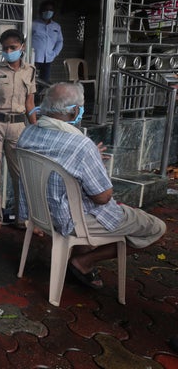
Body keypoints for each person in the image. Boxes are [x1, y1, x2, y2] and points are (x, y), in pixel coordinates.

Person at [17, 82, 166, 289]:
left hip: (38, 212)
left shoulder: (28, 132)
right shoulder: (81, 146)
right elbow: (102, 197)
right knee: (156, 227)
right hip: (68, 220)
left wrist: (89, 156)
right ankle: (83, 262)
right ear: (75, 111)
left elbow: (57, 155)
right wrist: (91, 156)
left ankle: (78, 256)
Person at [0, 29, 37, 236]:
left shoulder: (30, 71)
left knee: (20, 175)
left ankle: (22, 218)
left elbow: (30, 103)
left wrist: (35, 129)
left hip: (18, 127)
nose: (9, 51)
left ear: (22, 46)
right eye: (5, 48)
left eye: (12, 47)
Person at [31, 0, 63, 85]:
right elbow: (26, 39)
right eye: (46, 9)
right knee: (32, 81)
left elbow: (60, 41)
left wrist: (55, 53)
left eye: (51, 10)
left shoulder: (56, 26)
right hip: (34, 58)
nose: (48, 12)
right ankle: (32, 97)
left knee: (45, 82)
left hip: (48, 59)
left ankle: (41, 97)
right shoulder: (33, 24)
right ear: (41, 11)